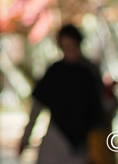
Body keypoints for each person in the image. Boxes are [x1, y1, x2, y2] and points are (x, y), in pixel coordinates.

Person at [20, 25, 105, 164]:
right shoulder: (55, 72)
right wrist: (25, 137)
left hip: (81, 142)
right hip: (56, 137)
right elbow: (37, 106)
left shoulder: (88, 73)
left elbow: (100, 108)